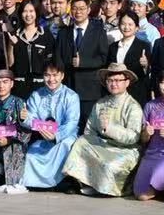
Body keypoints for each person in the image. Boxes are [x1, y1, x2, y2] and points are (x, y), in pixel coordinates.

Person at [61, 64, 144, 196]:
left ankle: (108, 188)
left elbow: (133, 137)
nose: (113, 84)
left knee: (109, 165)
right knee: (81, 142)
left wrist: (110, 129)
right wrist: (94, 143)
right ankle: (80, 182)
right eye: (110, 80)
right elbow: (89, 131)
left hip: (125, 150)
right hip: (103, 146)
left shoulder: (133, 106)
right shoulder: (101, 103)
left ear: (127, 82)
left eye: (118, 80)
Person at [20, 59, 81, 191]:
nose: (51, 79)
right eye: (47, 75)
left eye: (55, 75)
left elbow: (72, 123)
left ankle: (62, 183)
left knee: (65, 146)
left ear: (62, 76)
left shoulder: (71, 96)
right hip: (43, 136)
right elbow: (31, 118)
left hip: (65, 136)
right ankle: (37, 184)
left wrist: (56, 136)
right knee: (32, 153)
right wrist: (24, 118)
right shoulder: (36, 95)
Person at [131, 68, 164, 201]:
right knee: (138, 193)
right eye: (162, 82)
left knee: (145, 195)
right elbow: (143, 139)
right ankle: (162, 189)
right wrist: (146, 133)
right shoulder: (150, 106)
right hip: (152, 153)